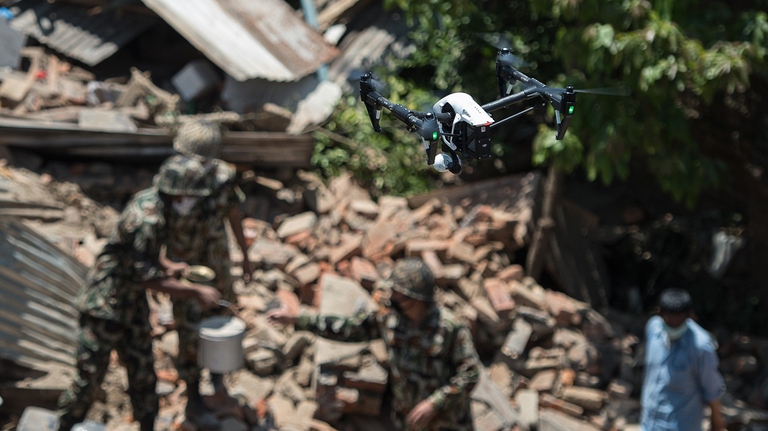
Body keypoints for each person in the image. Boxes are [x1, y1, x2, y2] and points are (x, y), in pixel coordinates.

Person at [56, 156, 222, 431]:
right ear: (178, 192)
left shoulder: (159, 206)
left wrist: (168, 265)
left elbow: (142, 254)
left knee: (143, 375)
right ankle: (64, 425)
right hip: (105, 305)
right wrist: (195, 292)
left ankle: (147, 425)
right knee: (89, 378)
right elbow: (144, 275)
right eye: (191, 195)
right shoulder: (147, 217)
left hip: (132, 305)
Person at [267, 258, 481, 430]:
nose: (391, 296)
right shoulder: (389, 319)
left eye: (397, 293)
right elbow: (347, 328)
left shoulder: (450, 327)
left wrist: (435, 403)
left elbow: (470, 372)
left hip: (448, 422)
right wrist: (298, 319)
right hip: (409, 420)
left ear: (415, 298)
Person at [158, 119, 252, 427]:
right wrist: (162, 264)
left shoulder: (223, 177)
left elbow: (233, 213)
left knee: (219, 319)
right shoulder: (173, 177)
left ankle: (217, 379)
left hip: (217, 262)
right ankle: (194, 397)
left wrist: (245, 256)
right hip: (185, 267)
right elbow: (158, 223)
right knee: (188, 330)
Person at [640, 288, 727, 431]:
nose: (673, 324)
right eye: (669, 318)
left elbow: (712, 390)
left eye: (678, 319)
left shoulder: (701, 346)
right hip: (649, 423)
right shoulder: (653, 329)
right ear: (659, 312)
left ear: (690, 316)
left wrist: (717, 422)